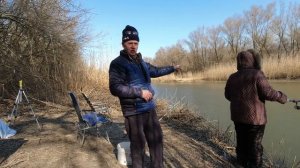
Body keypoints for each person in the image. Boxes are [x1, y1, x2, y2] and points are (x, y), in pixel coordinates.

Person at [109, 25, 180, 168]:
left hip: (149, 109)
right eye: (130, 43)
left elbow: (156, 71)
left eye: (135, 43)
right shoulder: (117, 63)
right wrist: (140, 92)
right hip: (133, 112)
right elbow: (115, 88)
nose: (133, 46)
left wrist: (172, 68)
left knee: (157, 141)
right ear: (123, 44)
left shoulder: (141, 62)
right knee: (138, 147)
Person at [224, 49, 288, 168]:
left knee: (241, 142)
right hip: (256, 119)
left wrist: (239, 102)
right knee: (255, 146)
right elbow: (268, 93)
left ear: (238, 62)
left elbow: (227, 95)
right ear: (252, 60)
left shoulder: (232, 77)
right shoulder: (257, 74)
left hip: (237, 117)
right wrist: (283, 97)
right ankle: (255, 165)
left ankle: (241, 163)